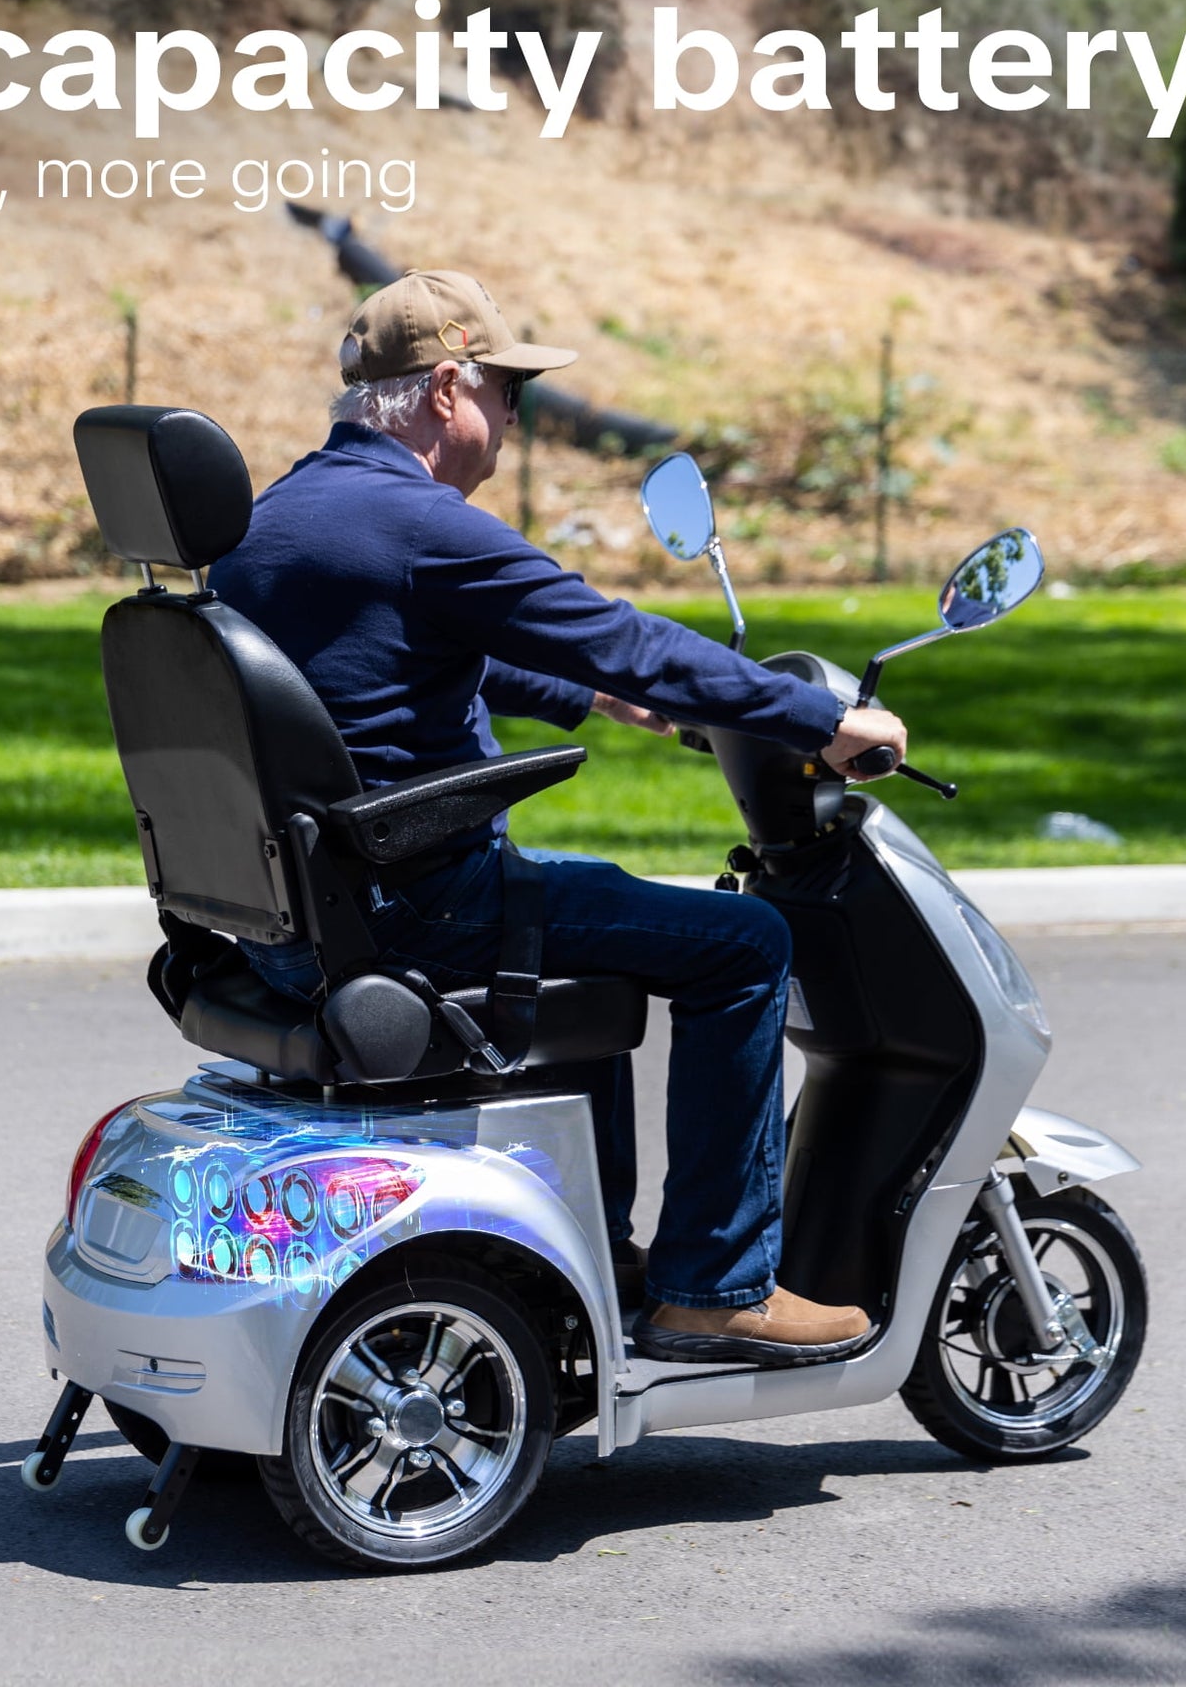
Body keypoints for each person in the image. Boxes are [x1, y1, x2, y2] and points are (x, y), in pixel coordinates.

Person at [209, 270, 907, 1362]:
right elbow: (624, 636)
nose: (512, 419)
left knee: (596, 912)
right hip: (418, 904)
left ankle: (595, 1254)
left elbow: (398, 652)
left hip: (295, 915)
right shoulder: (424, 526)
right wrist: (826, 718)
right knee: (746, 944)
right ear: (448, 390)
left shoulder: (280, 519)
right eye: (508, 393)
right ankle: (716, 1285)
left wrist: (590, 697)